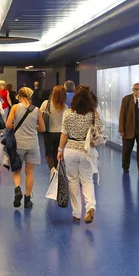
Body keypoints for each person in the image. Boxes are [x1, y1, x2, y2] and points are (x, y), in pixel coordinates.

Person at [57, 87, 99, 223]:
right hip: (86, 151)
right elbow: (98, 132)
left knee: (73, 181)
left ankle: (76, 213)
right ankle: (90, 206)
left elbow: (64, 133)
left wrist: (60, 150)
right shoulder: (93, 114)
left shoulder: (68, 113)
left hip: (71, 149)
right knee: (87, 180)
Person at [5, 87, 45, 208]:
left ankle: (18, 190)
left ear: (19, 96)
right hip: (33, 144)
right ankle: (27, 200)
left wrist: (16, 125)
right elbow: (42, 128)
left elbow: (7, 125)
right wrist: (34, 127)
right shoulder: (36, 110)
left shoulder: (15, 107)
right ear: (30, 96)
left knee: (16, 170)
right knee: (30, 172)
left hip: (19, 144)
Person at [119, 83, 139, 176]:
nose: (137, 91)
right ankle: (125, 168)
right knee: (126, 150)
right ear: (132, 90)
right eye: (136, 89)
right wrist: (121, 129)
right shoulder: (126, 99)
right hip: (128, 130)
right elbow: (122, 115)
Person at [40, 86, 68, 169]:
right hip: (61, 134)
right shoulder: (66, 107)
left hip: (49, 132)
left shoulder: (46, 103)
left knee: (48, 154)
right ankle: (58, 168)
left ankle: (52, 170)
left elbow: (40, 116)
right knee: (58, 152)